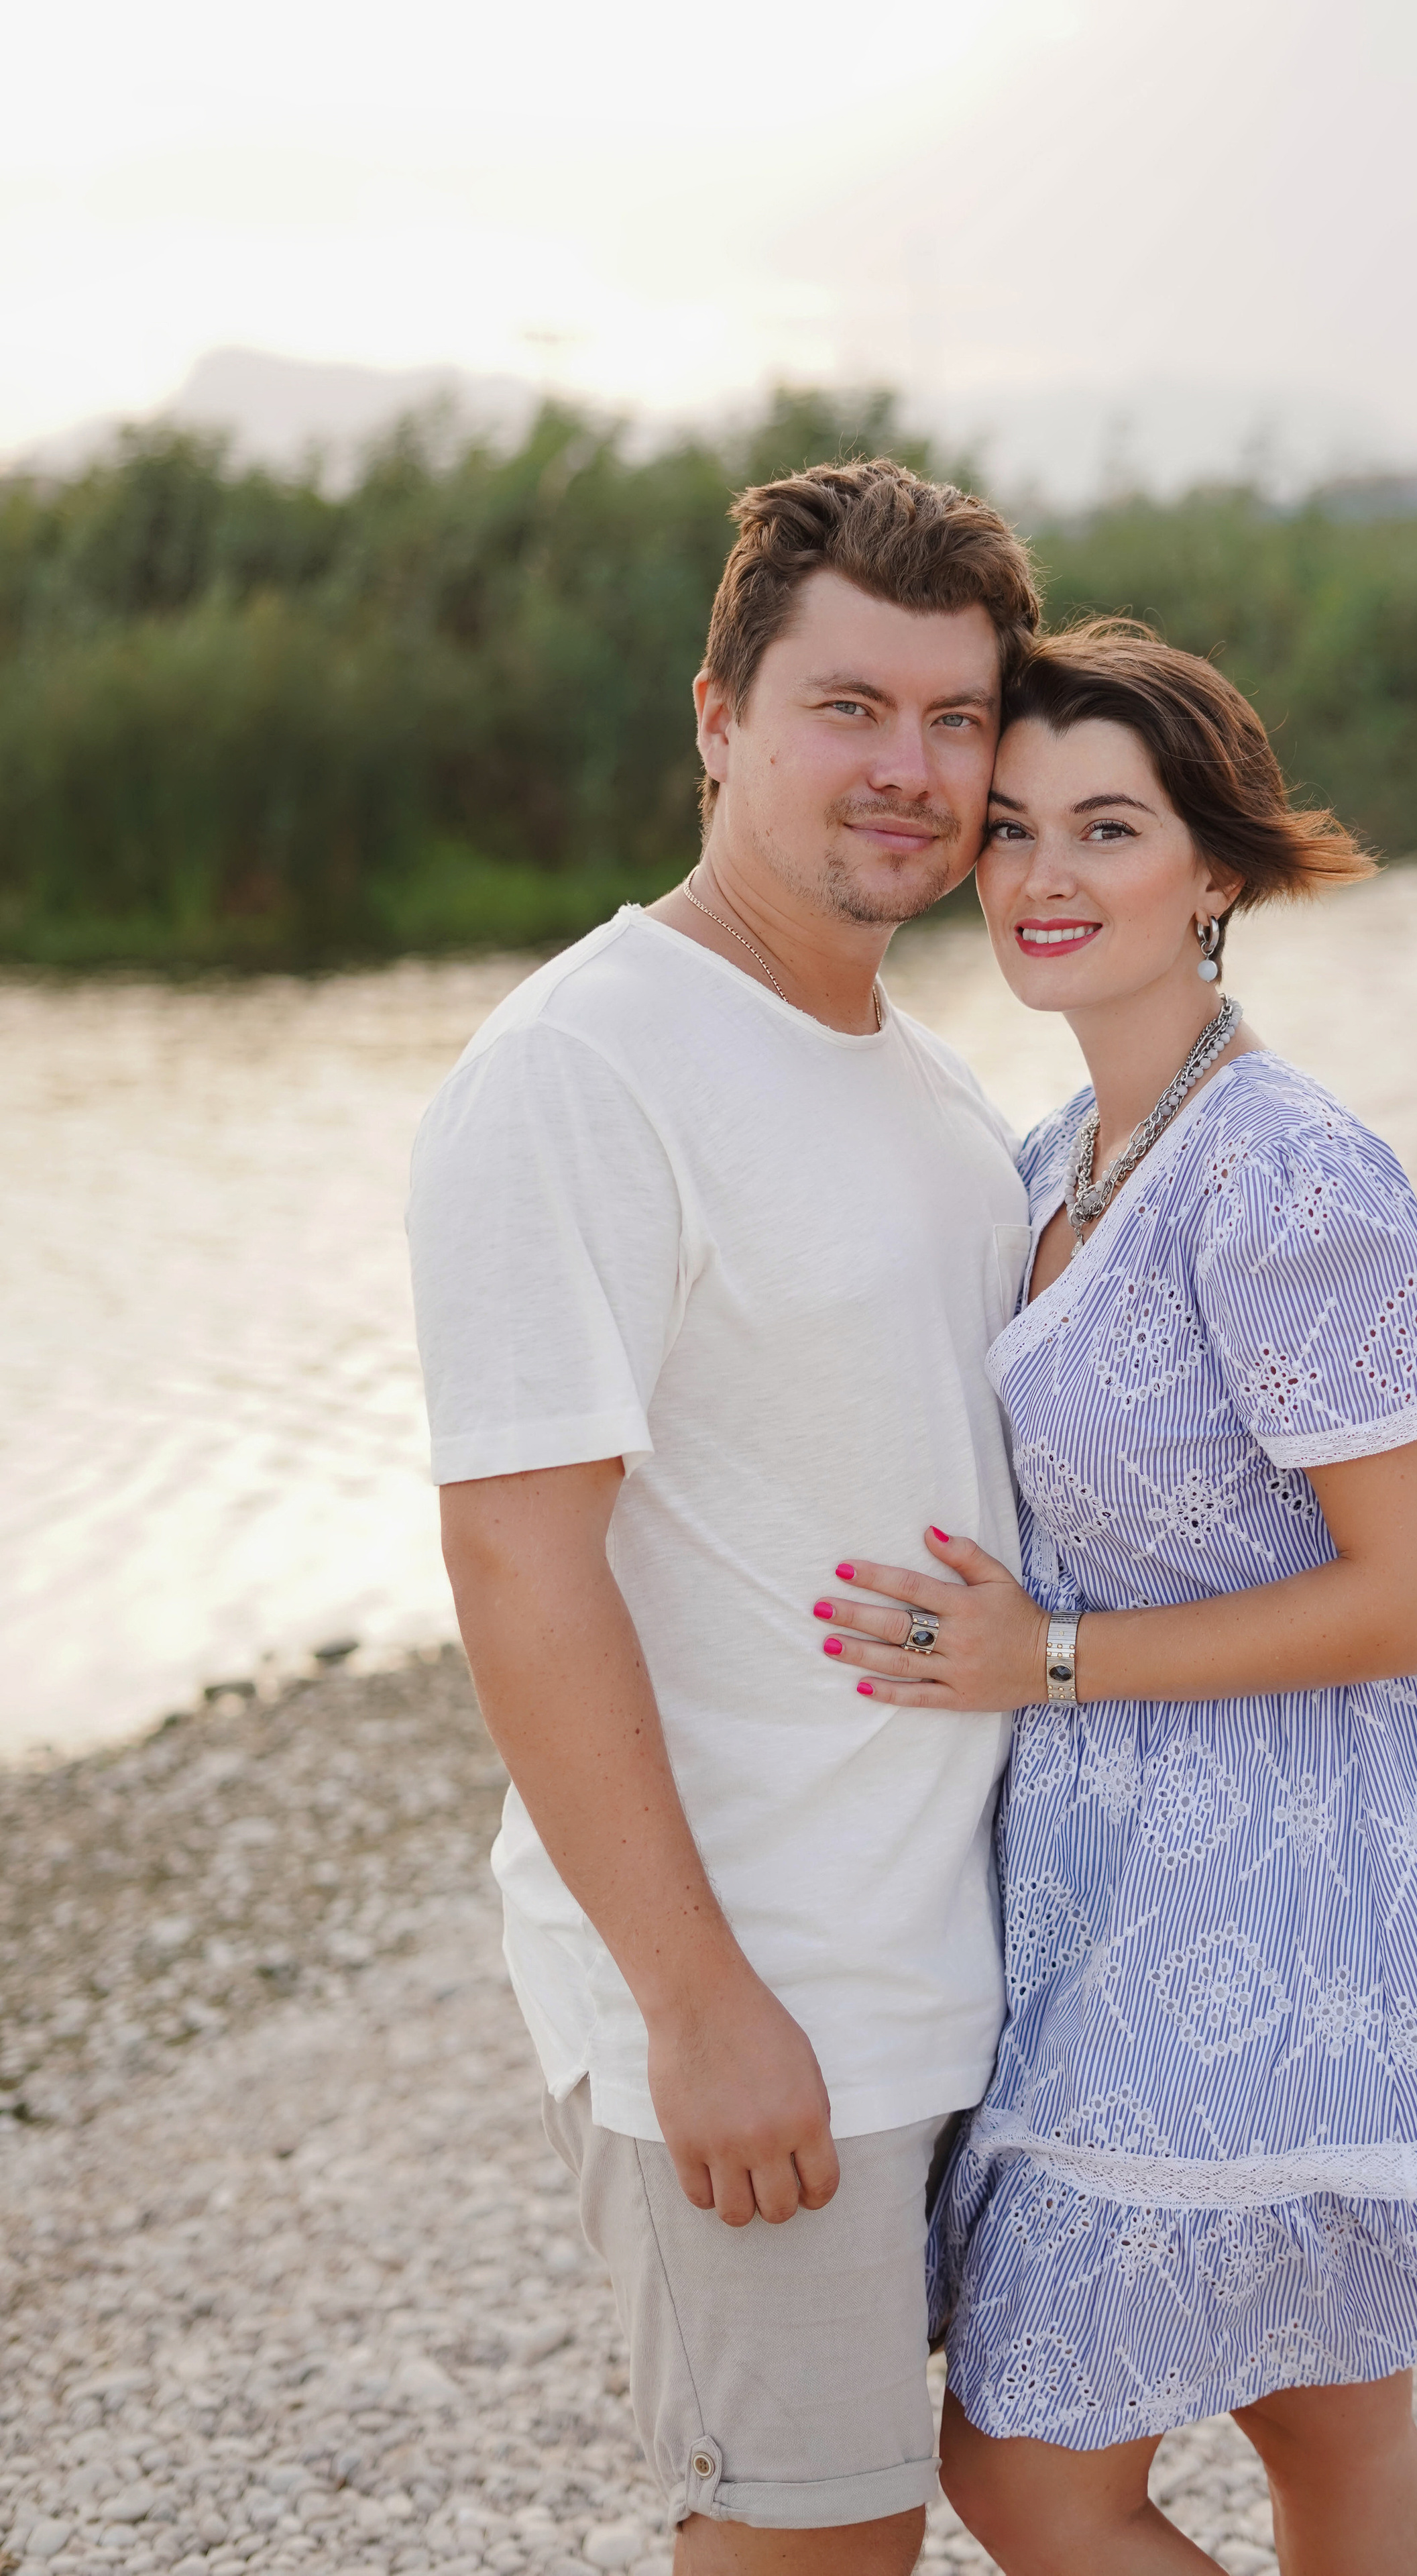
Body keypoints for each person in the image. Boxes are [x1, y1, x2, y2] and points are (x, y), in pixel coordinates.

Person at [808, 621, 1417, 2576]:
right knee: (1328, 2419)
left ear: (1217, 869)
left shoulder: (1284, 1172)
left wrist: (1052, 1658)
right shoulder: (1062, 1158)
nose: (1042, 878)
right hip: (1131, 1889)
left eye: (1107, 828)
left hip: (1289, 1905)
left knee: (1029, 2476)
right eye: (1012, 829)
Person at [406, 458, 1043, 2575]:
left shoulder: (924, 1078)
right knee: (808, 2549)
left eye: (957, 719)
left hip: (963, 1967)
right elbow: (518, 1555)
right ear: (717, 719)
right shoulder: (587, 1068)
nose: (913, 769)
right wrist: (695, 2002)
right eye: (849, 708)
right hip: (773, 1996)